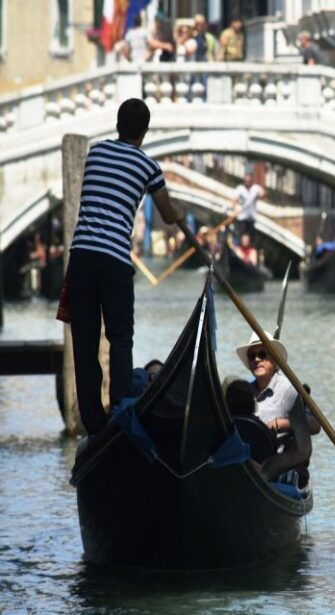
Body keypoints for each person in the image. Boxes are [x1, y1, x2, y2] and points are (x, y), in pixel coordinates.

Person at [65, 99, 183, 436]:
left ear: (117, 125)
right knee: (120, 338)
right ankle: (119, 408)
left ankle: (93, 423)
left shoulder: (95, 154)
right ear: (145, 131)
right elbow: (167, 213)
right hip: (115, 260)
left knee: (85, 341)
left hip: (82, 258)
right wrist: (174, 216)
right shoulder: (148, 167)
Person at [232, 173, 264, 238]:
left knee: (250, 236)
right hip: (242, 216)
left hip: (251, 217)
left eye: (249, 180)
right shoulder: (240, 189)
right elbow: (234, 200)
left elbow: (263, 193)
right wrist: (235, 209)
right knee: (241, 235)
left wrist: (258, 196)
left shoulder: (255, 188)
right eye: (246, 180)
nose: (248, 182)